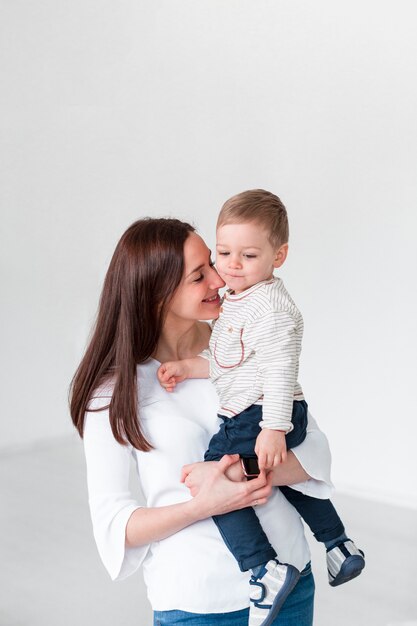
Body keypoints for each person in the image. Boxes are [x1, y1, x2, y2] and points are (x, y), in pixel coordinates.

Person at [70, 217, 336, 626]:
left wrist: (242, 471)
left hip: (290, 586)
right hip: (196, 603)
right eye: (199, 275)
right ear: (156, 293)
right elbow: (115, 526)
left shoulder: (244, 339)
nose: (220, 277)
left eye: (212, 263)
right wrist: (204, 505)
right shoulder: (114, 391)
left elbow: (313, 446)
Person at [158, 191, 365, 625]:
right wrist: (186, 366)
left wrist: (273, 426)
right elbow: (229, 360)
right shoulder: (240, 298)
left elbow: (279, 367)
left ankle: (262, 568)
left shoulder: (270, 306)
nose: (232, 265)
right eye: (224, 252)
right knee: (286, 481)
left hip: (260, 412)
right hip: (262, 409)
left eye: (248, 255)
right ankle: (338, 543)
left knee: (215, 476)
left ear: (279, 255)